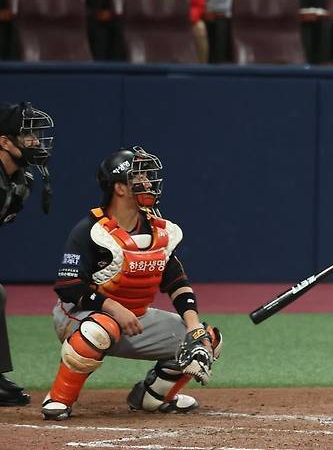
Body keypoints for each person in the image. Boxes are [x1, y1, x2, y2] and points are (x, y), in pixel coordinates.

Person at [41, 146, 223, 421]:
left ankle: (153, 397)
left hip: (136, 318)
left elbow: (176, 281)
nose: (148, 183)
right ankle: (59, 397)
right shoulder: (91, 231)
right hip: (79, 318)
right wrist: (113, 307)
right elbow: (68, 288)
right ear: (120, 188)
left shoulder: (159, 230)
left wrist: (193, 326)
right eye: (139, 178)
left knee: (207, 339)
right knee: (102, 328)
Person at [0, 102, 54, 407]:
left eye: (36, 133)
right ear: (4, 142)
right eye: (26, 134)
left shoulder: (22, 181)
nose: (35, 140)